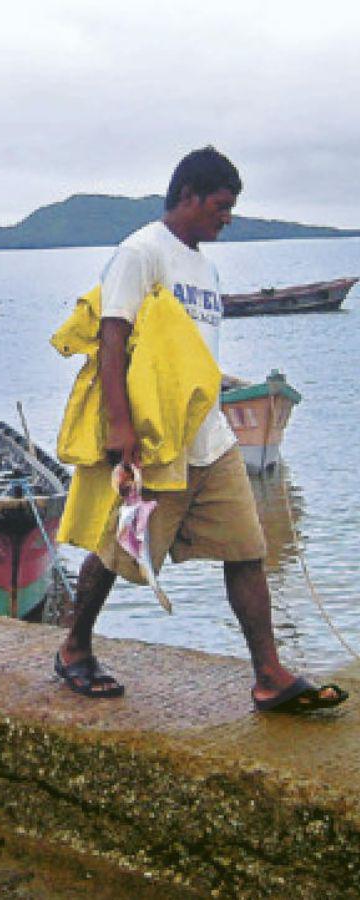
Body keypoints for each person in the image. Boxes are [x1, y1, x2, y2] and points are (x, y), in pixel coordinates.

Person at [54, 146, 348, 714]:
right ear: (187, 196)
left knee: (247, 548)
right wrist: (121, 428)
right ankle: (73, 648)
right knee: (121, 549)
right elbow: (112, 340)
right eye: (220, 204)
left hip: (211, 438)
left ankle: (268, 676)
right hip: (156, 440)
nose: (227, 216)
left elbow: (190, 353)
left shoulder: (204, 266)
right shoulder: (139, 253)